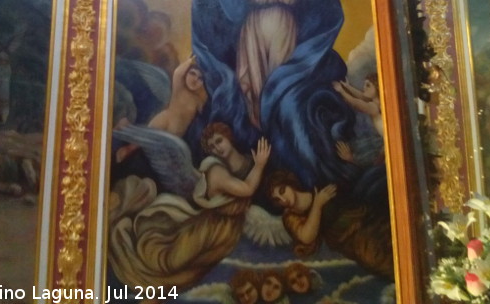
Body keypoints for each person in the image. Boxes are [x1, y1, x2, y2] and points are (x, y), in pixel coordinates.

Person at [161, 0, 368, 186]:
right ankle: (267, 155)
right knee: (254, 93)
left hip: (285, 36)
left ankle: (284, 151)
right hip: (253, 37)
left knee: (280, 89)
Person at [108, 122, 271, 290]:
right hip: (208, 229)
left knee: (191, 272)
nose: (217, 148)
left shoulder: (246, 162)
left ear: (229, 138)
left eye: (219, 141)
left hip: (225, 234)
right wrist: (260, 165)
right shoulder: (216, 171)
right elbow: (247, 189)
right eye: (212, 147)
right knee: (171, 262)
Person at [265, 168, 394, 278]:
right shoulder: (290, 217)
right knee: (378, 259)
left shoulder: (316, 186)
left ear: (290, 183)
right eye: (277, 199)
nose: (283, 199)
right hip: (350, 241)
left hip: (366, 219)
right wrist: (317, 205)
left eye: (282, 191)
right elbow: (306, 236)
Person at [116, 54, 208, 163]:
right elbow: (178, 73)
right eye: (192, 73)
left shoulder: (198, 100)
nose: (195, 79)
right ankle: (124, 141)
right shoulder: (180, 87)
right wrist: (190, 61)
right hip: (164, 120)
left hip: (176, 133)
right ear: (186, 74)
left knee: (157, 154)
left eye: (200, 78)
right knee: (141, 142)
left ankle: (126, 131)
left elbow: (204, 114)